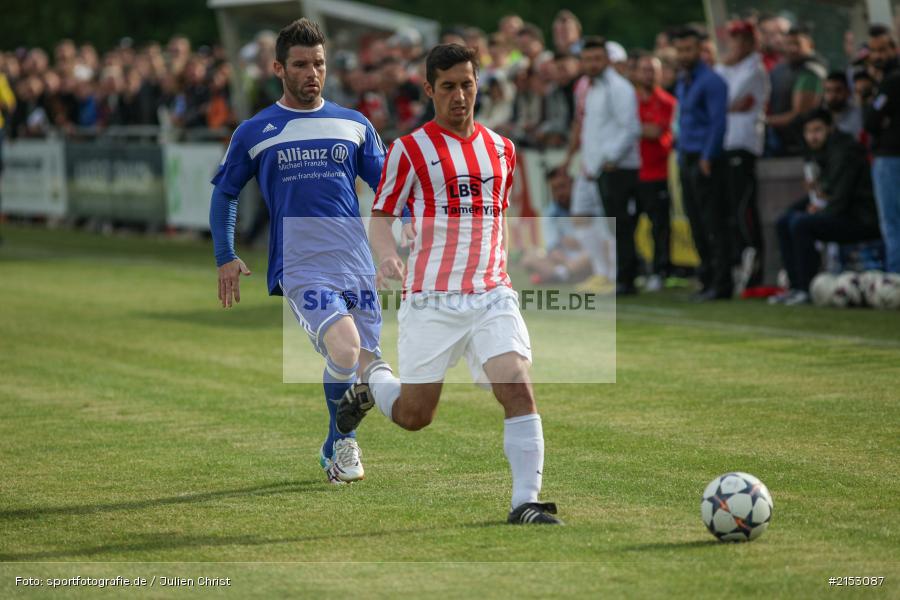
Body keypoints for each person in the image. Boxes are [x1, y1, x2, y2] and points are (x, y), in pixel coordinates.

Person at [337, 44, 563, 525]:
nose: (459, 95)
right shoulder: (409, 150)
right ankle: (373, 375)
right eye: (448, 87)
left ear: (478, 84)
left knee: (517, 384)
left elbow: (498, 217)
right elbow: (380, 220)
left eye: (467, 84)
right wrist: (388, 256)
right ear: (429, 90)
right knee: (416, 416)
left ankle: (526, 501)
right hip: (431, 300)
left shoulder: (503, 150)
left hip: (491, 293)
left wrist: (522, 254)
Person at [209, 19, 390, 485]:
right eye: (301, 64)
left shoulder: (354, 125)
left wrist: (406, 241)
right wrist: (225, 254)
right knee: (346, 350)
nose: (313, 73)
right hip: (302, 265)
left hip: (356, 263)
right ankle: (346, 447)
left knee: (371, 377)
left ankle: (332, 444)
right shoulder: (255, 131)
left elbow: (389, 189)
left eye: (319, 64)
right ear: (278, 68)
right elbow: (225, 193)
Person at [772, 109, 881, 304]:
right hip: (841, 210)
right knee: (784, 220)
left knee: (801, 224)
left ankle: (807, 288)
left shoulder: (844, 151)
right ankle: (795, 287)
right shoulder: (819, 152)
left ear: (830, 129)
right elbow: (826, 192)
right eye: (808, 131)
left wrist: (819, 209)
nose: (812, 136)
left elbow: (841, 197)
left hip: (861, 218)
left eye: (817, 130)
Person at [565, 36, 641, 296]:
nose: (592, 63)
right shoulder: (592, 88)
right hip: (594, 167)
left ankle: (625, 278)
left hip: (616, 168)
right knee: (592, 219)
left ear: (607, 59)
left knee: (617, 226)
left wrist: (610, 158)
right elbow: (591, 130)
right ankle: (608, 273)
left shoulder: (619, 88)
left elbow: (630, 128)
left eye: (597, 58)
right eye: (587, 59)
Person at [673, 26, 731, 301]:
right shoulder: (684, 81)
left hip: (705, 159)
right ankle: (707, 277)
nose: (684, 55)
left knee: (713, 222)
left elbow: (718, 123)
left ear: (701, 50)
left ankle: (721, 282)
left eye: (689, 49)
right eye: (680, 50)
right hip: (686, 156)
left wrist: (708, 156)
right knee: (695, 221)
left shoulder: (712, 81)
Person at [716, 20, 769, 290]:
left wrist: (724, 67)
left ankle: (754, 262)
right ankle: (740, 261)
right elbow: (719, 100)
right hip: (727, 144)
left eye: (738, 39)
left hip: (743, 145)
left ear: (750, 41)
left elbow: (726, 96)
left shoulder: (754, 70)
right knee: (730, 208)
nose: (732, 45)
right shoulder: (731, 68)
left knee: (743, 208)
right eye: (731, 38)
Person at [634, 51, 676, 291]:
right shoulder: (630, 100)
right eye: (644, 69)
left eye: (653, 69)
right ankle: (636, 270)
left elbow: (657, 132)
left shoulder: (667, 102)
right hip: (633, 171)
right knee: (627, 225)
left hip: (657, 173)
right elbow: (646, 130)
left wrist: (631, 127)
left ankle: (661, 271)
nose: (648, 74)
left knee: (659, 227)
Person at [864, 24, 900, 273]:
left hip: (891, 158)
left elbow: (871, 122)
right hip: (888, 155)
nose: (878, 56)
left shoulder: (892, 82)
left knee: (892, 223)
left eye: (883, 50)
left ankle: (896, 278)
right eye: (874, 51)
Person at [767, 26, 826, 156]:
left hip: (802, 144)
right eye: (788, 44)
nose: (792, 49)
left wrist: (763, 121)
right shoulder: (781, 68)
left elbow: (799, 113)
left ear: (810, 45)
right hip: (783, 142)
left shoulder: (811, 71)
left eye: (797, 44)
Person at [823, 71, 863, 139]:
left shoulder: (860, 116)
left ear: (848, 92)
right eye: (828, 90)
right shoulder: (819, 116)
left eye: (838, 90)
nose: (833, 96)